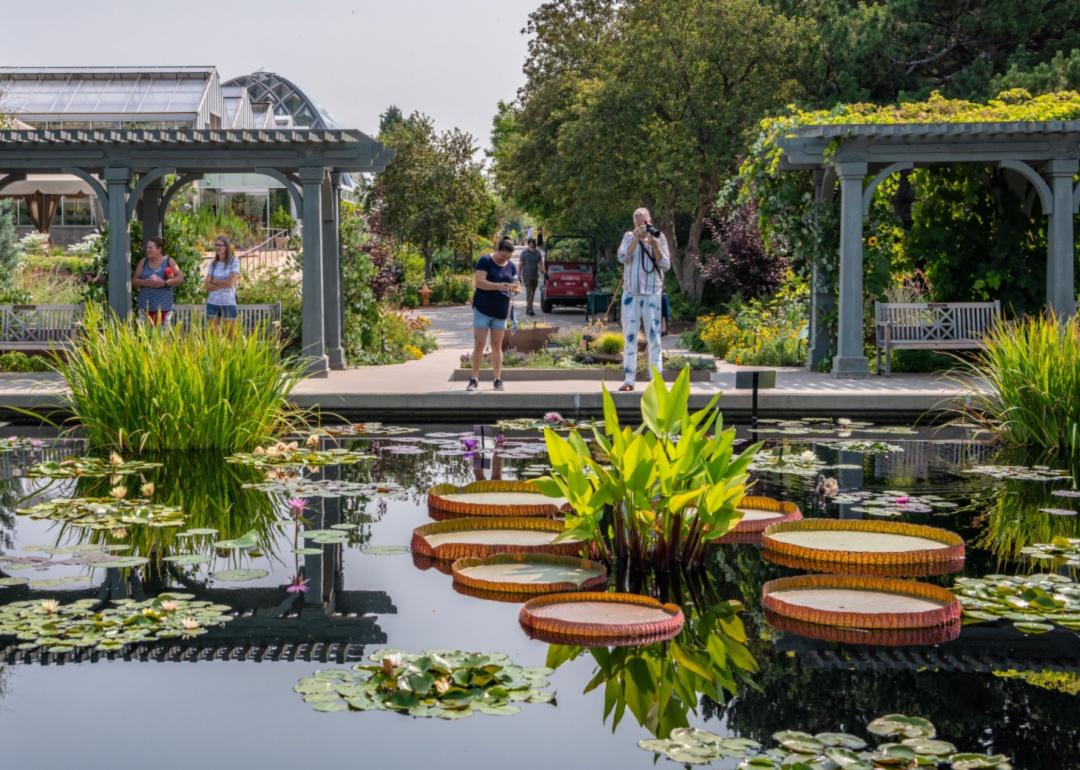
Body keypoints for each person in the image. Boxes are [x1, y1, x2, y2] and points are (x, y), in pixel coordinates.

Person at [616, 208, 670, 391]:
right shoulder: (628, 236)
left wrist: (654, 245)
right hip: (631, 294)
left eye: (644, 223)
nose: (642, 226)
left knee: (654, 337)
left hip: (652, 292)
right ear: (634, 223)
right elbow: (622, 257)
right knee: (629, 337)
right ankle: (629, 379)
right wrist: (636, 239)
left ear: (650, 221)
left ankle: (656, 379)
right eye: (638, 223)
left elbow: (666, 265)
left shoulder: (659, 237)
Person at [467, 237, 520, 392]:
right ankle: (474, 379)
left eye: (508, 257)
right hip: (483, 309)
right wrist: (499, 286)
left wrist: (514, 288)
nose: (506, 259)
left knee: (497, 346)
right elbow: (480, 282)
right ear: (497, 249)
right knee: (479, 345)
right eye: (503, 256)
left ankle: (497, 379)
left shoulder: (511, 266)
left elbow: (518, 284)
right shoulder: (485, 260)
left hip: (501, 311)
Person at [132, 236, 183, 327]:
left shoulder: (168, 261)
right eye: (147, 247)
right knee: (145, 337)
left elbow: (180, 279)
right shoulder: (143, 262)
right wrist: (143, 282)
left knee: (162, 338)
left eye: (150, 248)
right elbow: (134, 281)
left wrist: (164, 283)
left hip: (163, 308)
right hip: (145, 308)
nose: (147, 250)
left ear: (159, 249)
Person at [204, 236, 240, 325]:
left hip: (228, 303)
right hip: (212, 303)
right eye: (216, 245)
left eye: (220, 245)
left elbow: (230, 283)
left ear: (226, 247)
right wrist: (223, 282)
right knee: (214, 337)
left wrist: (215, 281)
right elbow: (207, 286)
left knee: (231, 338)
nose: (217, 247)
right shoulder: (213, 264)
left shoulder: (233, 262)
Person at [519, 238, 546, 316]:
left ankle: (528, 309)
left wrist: (544, 272)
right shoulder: (524, 253)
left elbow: (541, 264)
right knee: (529, 293)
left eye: (533, 244)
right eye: (531, 244)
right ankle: (530, 309)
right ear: (528, 244)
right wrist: (518, 276)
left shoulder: (538, 253)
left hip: (535, 276)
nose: (532, 245)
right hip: (526, 276)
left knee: (533, 293)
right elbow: (520, 265)